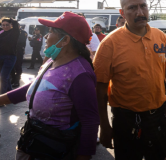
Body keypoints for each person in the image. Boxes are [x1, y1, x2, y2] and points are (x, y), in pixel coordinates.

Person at [94, 0, 166, 160]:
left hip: (158, 118)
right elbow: (100, 89)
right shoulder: (109, 44)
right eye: (132, 7)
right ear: (122, 13)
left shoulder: (160, 37)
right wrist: (104, 126)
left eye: (143, 6)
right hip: (125, 121)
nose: (140, 12)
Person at [0, 12, 100, 160]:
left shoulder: (81, 75)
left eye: (51, 31)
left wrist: (83, 156)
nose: (46, 36)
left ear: (65, 40)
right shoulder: (52, 61)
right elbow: (36, 86)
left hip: (56, 148)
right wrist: (1, 99)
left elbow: (90, 121)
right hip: (35, 140)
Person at [0, 17, 20, 94]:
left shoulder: (14, 32)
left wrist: (10, 19)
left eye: (7, 25)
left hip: (10, 57)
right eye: (3, 25)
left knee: (3, 77)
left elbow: (15, 23)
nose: (5, 27)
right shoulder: (1, 32)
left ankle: (2, 98)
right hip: (1, 56)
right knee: (5, 76)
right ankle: (10, 94)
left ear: (11, 25)